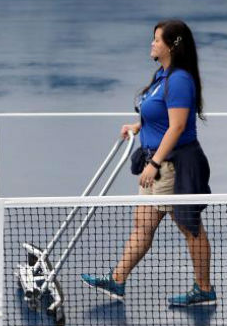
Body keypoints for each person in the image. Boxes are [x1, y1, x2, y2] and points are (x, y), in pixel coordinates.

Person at [81, 19, 215, 307]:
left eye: (157, 40)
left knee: (190, 227)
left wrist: (153, 163)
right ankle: (117, 280)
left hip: (172, 167)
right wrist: (138, 125)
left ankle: (204, 289)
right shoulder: (162, 75)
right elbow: (157, 112)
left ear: (171, 46)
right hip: (157, 164)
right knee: (142, 225)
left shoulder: (179, 80)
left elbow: (177, 127)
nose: (152, 44)